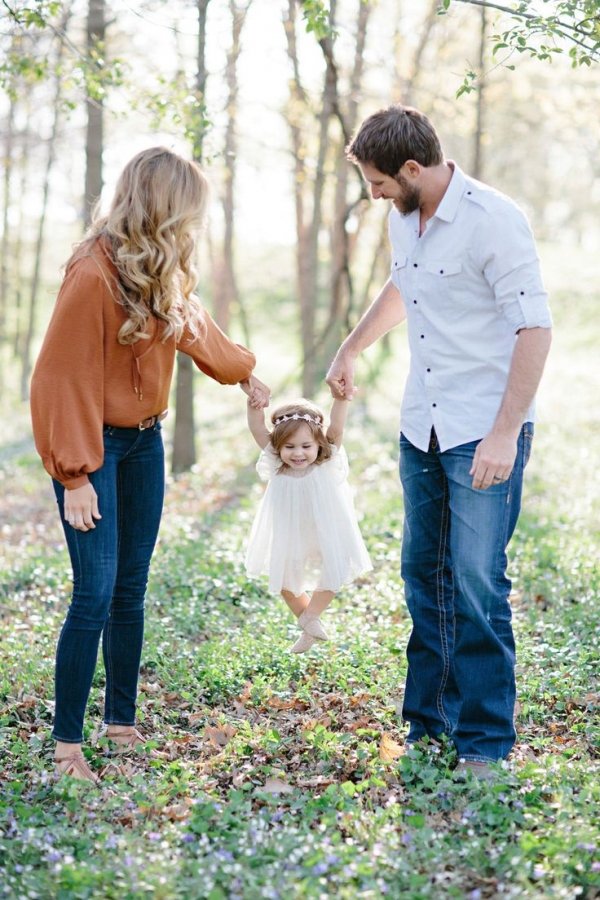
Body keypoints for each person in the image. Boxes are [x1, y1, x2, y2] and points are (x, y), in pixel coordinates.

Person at [30, 147, 269, 783]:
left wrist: (244, 373)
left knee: (131, 588)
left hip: (145, 444)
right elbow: (61, 377)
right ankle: (66, 748)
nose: (195, 222)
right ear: (163, 205)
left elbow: (196, 328)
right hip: (95, 451)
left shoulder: (161, 267)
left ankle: (121, 722)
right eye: (189, 209)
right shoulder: (91, 272)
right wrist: (75, 474)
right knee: (95, 590)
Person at [326, 105, 552, 778]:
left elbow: (534, 329)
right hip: (419, 424)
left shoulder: (494, 221)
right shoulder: (404, 219)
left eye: (378, 183)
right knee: (424, 577)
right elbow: (405, 287)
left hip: (483, 429)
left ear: (414, 169)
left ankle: (484, 746)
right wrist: (351, 346)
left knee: (478, 584)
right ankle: (429, 726)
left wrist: (504, 435)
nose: (374, 196)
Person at [245, 396, 372, 652]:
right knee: (283, 581)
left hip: (325, 530)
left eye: (306, 445)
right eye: (289, 446)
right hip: (291, 533)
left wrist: (341, 399)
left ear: (318, 444)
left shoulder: (325, 462)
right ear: (278, 447)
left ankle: (311, 617)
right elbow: (257, 429)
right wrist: (253, 406)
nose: (298, 453)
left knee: (332, 574)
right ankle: (309, 623)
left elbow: (336, 428)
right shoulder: (277, 464)